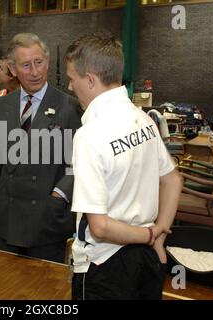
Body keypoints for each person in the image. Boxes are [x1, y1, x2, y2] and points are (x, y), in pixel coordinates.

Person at [64, 31, 183, 300]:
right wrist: (158, 237)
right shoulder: (143, 119)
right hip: (147, 258)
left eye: (72, 79)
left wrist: (152, 233)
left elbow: (100, 227)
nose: (70, 87)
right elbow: (173, 180)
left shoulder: (89, 135)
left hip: (104, 268)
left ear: (90, 80)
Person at [0, 33, 82, 263]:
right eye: (26, 65)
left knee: (45, 290)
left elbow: (79, 162)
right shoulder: (2, 105)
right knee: (7, 286)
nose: (34, 72)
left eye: (39, 63)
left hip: (46, 221)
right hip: (7, 219)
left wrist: (58, 195)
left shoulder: (69, 106)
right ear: (12, 68)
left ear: (48, 62)